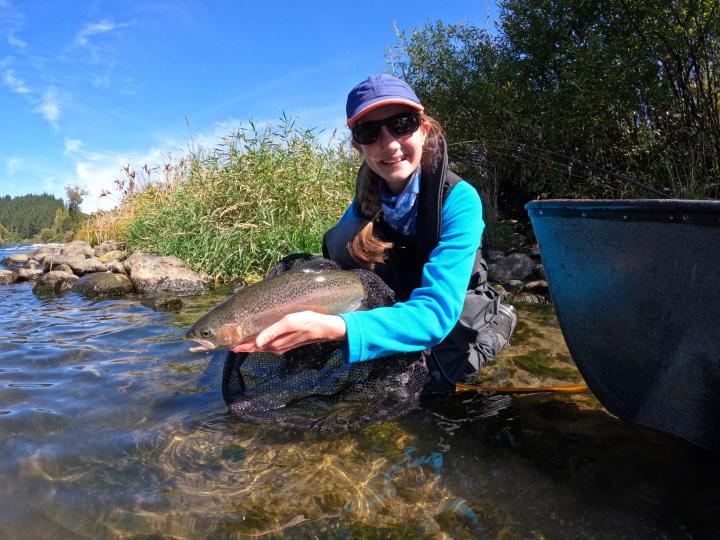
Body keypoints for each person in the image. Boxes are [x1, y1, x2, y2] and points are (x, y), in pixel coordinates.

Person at [231, 73, 517, 393]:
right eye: (369, 132)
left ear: (423, 131)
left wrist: (333, 328)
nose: (390, 144)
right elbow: (338, 268)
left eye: (402, 123)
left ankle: (501, 317)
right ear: (358, 145)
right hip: (399, 307)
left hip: (453, 318)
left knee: (432, 390)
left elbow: (436, 315)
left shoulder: (459, 200)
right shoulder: (364, 199)